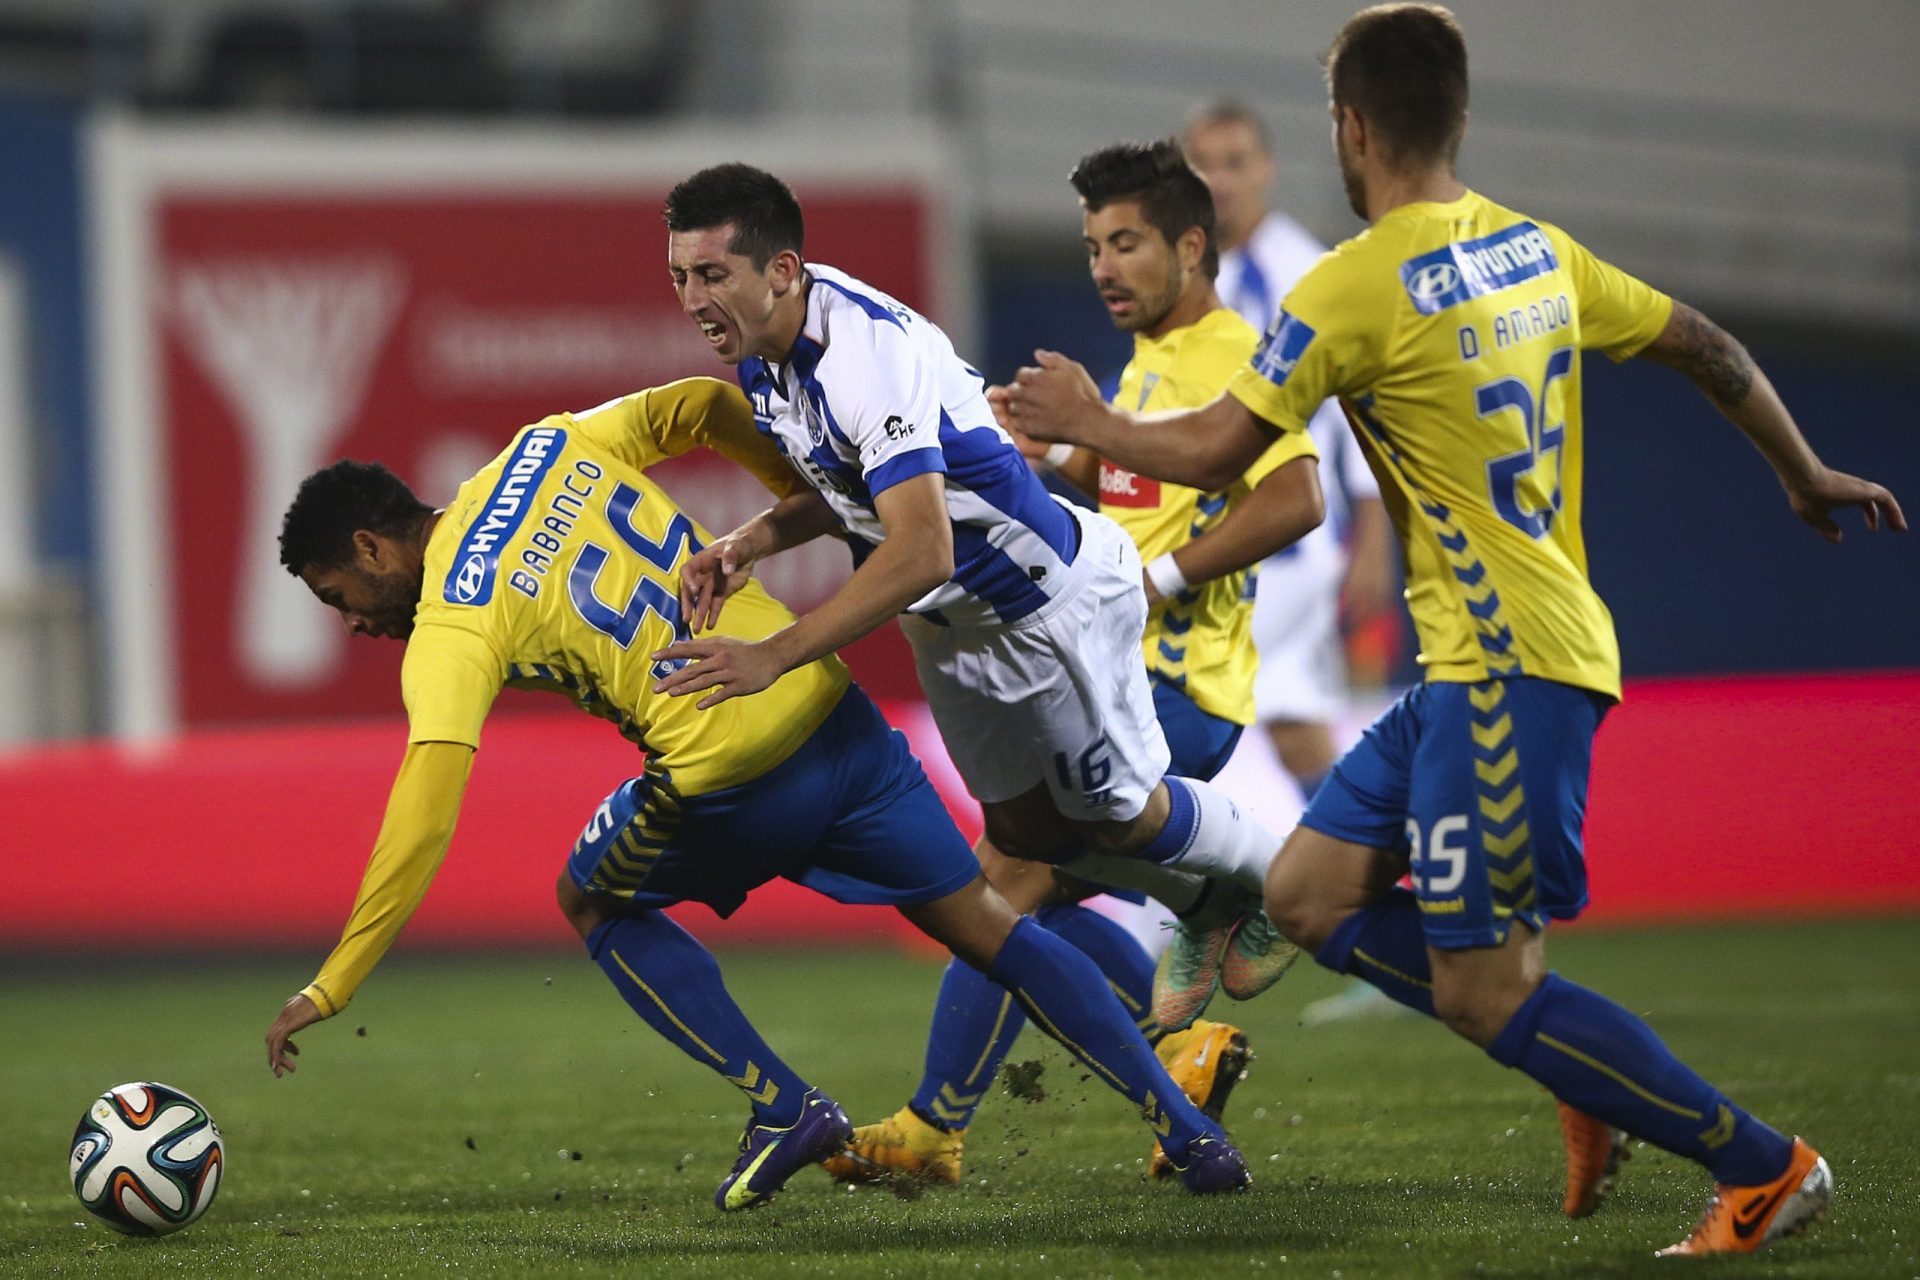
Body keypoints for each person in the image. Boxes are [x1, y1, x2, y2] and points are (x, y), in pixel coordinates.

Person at [1004, 3, 1904, 1255]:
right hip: (1475, 668)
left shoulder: (1351, 284)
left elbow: (1222, 449)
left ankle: (1764, 1164)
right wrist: (1802, 472)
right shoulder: (1536, 250)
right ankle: (1580, 1070)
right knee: (1310, 894)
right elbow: (1706, 343)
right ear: (1459, 117)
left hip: (1508, 670)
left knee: (1489, 992)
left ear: (1350, 127)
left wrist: (1089, 424)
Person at [259, 377, 1257, 1209]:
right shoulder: (540, 449)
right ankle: (1191, 1131)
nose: (351, 621)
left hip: (728, 779)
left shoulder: (450, 625)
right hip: (831, 712)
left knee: (592, 897)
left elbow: (426, 808)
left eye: (337, 595)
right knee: (995, 927)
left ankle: (782, 1101)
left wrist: (335, 978)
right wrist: (800, 494)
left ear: (373, 550)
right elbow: (699, 401)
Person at [657, 166, 1299, 1033]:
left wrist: (773, 655)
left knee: (1122, 813)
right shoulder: (765, 356)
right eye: (680, 277)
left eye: (711, 275)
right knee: (1030, 835)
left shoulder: (863, 355)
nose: (693, 299)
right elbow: (845, 485)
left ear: (779, 271)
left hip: (1044, 604)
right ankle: (1204, 900)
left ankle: (1287, 880)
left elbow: (923, 546)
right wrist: (752, 541)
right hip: (954, 628)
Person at [820, 139, 1325, 1187]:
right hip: (1108, 678)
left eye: (1127, 242)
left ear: (1193, 246)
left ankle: (934, 1126)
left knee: (998, 878)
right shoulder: (1147, 370)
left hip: (1179, 692)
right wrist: (1056, 453)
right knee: (1035, 894)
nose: (1103, 265)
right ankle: (1174, 1053)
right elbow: (1143, 480)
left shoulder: (1235, 352)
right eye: (1093, 244)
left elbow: (1296, 498)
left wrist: (1165, 575)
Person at [1185, 98, 1407, 1028]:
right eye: (1203, 163)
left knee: (1186, 714)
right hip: (1236, 544)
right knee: (1294, 734)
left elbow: (1361, 409)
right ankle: (1398, 918)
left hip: (1291, 548)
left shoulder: (1301, 269)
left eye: (1235, 161)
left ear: (1267, 167)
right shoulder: (1191, 270)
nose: (1219, 180)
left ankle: (1211, 910)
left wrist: (1373, 540)